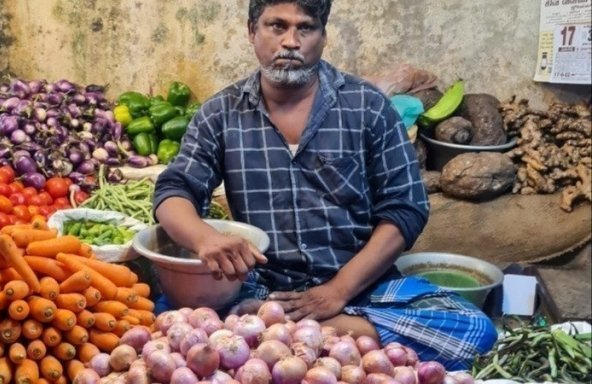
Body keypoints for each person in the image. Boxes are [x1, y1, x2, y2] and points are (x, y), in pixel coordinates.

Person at [152, 0, 496, 369]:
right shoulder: (221, 114)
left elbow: (406, 208)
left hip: (361, 287)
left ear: (323, 36)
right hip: (264, 285)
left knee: (474, 329)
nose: (290, 41)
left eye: (305, 28)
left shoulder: (367, 106)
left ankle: (279, 332)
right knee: (161, 315)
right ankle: (301, 335)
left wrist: (338, 290)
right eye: (276, 26)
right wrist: (205, 238)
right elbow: (174, 191)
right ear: (252, 32)